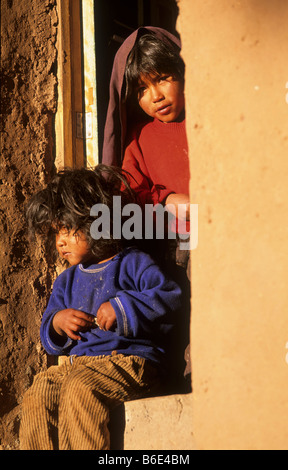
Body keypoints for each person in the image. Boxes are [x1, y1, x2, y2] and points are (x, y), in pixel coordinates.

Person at [19, 165, 182, 450]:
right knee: (38, 393)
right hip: (76, 366)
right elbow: (49, 331)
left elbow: (170, 296)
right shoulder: (66, 281)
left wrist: (122, 308)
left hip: (131, 361)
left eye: (68, 229)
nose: (60, 241)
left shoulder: (132, 262)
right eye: (56, 232)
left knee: (80, 389)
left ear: (98, 222)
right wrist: (58, 322)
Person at [102, 27, 191, 382]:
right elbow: (131, 196)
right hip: (169, 246)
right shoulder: (139, 140)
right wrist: (166, 198)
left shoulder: (210, 125)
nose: (155, 95)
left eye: (164, 78)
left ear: (184, 71)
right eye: (141, 89)